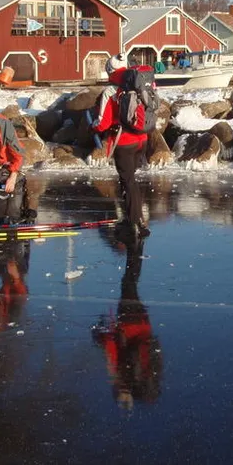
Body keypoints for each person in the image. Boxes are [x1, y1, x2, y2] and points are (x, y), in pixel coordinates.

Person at [92, 225, 161, 408]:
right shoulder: (131, 371)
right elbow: (113, 352)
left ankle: (136, 251)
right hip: (130, 325)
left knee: (130, 285)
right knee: (128, 284)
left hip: (142, 323)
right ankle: (135, 250)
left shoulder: (143, 369)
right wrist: (102, 336)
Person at [92, 54, 150, 235]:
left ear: (109, 70)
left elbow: (103, 123)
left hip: (124, 142)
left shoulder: (110, 91)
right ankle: (136, 218)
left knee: (128, 181)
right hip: (142, 139)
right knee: (131, 180)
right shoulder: (139, 84)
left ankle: (133, 223)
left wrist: (92, 126)